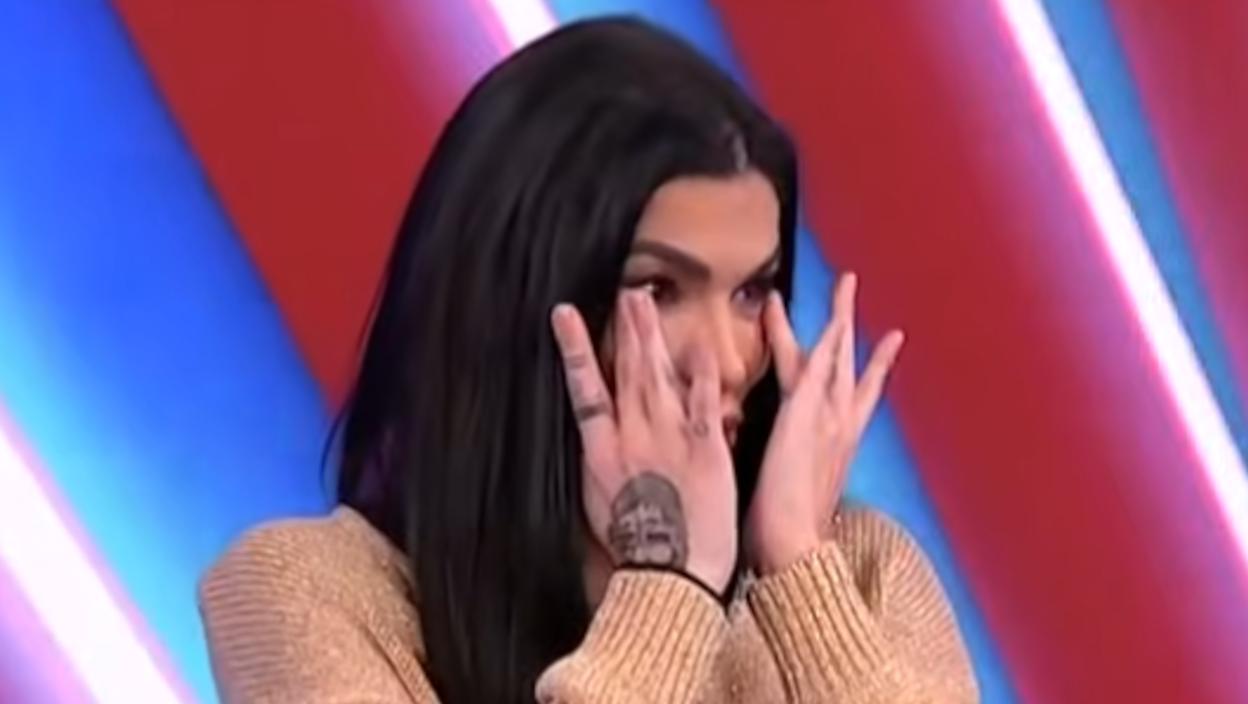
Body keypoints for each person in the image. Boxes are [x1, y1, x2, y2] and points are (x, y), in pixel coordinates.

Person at [198, 16, 978, 704]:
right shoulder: (306, 592)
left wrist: (802, 580)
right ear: (519, 301)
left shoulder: (857, 571)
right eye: (660, 288)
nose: (726, 362)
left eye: (751, 292)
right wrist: (666, 584)